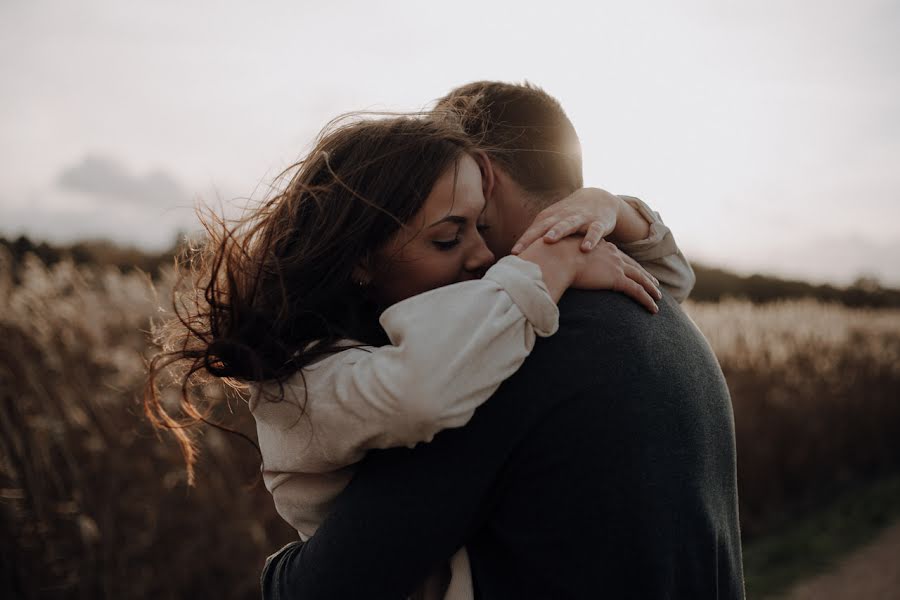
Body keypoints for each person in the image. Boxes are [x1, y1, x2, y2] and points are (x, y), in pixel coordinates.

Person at [143, 113, 692, 598]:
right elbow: (420, 391)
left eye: (482, 226)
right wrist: (546, 266)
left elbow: (661, 285)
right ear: (359, 256)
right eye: (449, 238)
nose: (484, 256)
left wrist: (608, 208)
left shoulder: (430, 311)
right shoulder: (305, 382)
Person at [260, 82, 745, 599]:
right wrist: (610, 214)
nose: (475, 259)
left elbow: (326, 586)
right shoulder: (661, 315)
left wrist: (279, 572)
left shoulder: (501, 353)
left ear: (481, 175)